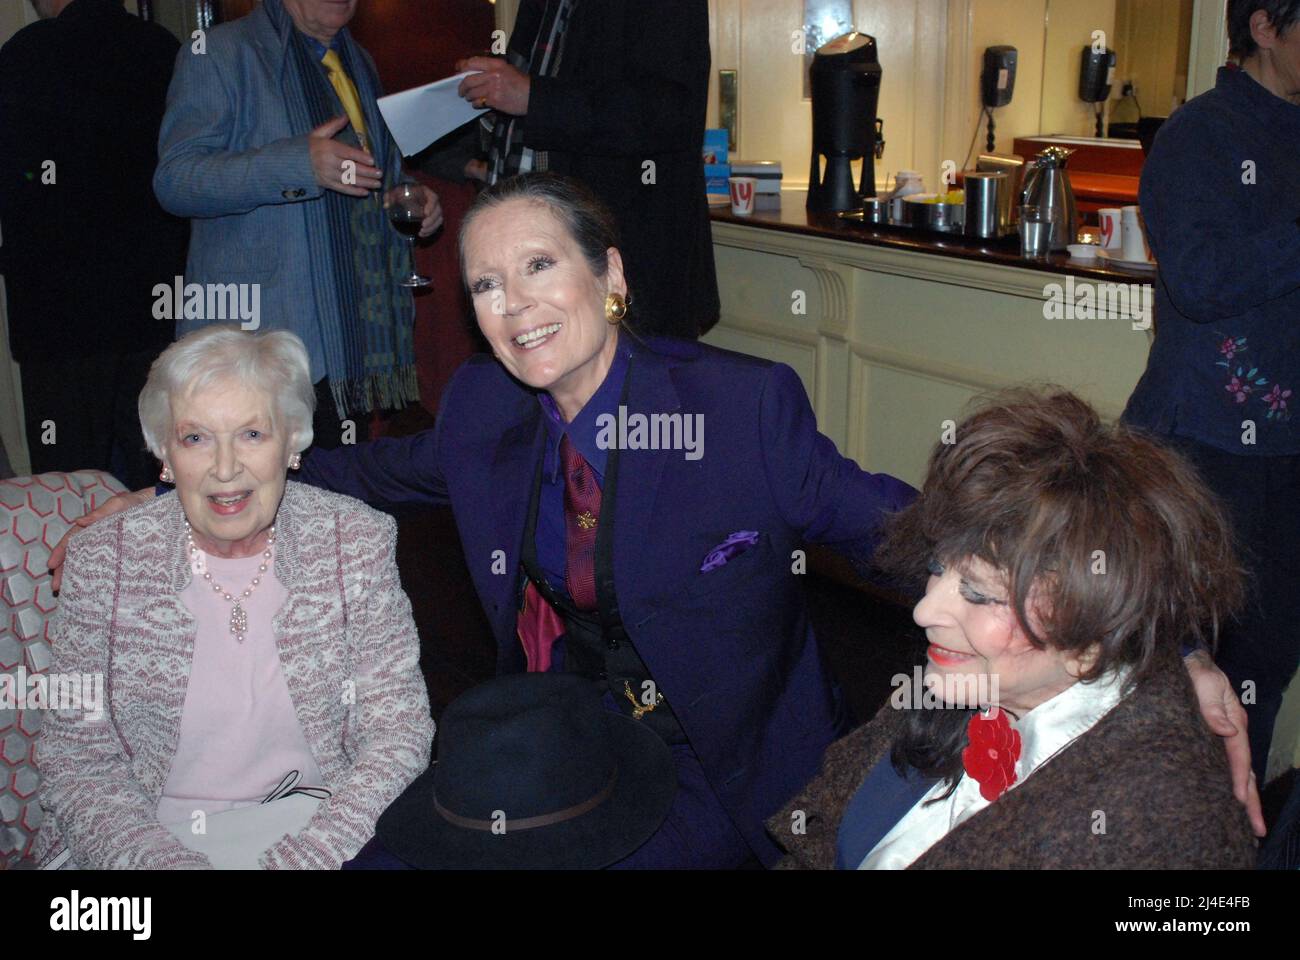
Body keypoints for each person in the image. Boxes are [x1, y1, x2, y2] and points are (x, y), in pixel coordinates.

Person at [55, 173, 1263, 866]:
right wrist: (200, 474)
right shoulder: (484, 408)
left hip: (712, 751)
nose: (514, 305)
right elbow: (379, 473)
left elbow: (906, 527)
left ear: (611, 277)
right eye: (484, 284)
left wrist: (1166, 643)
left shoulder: (739, 410)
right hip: (559, 727)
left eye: (539, 267)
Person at [770, 390, 1258, 869]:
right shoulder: (971, 679)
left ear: (1090, 639)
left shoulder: (1157, 828)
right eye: (939, 568)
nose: (925, 610)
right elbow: (823, 837)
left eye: (980, 594)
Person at [32, 325, 432, 869]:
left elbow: (399, 734)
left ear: (291, 442)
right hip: (138, 841)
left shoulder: (354, 542)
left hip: (320, 831)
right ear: (163, 454)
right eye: (196, 438)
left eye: (251, 434)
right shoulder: (103, 561)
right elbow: (75, 757)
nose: (225, 469)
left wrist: (300, 861)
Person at [1122, 0, 1300, 784]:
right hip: (1205, 447)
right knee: (1183, 677)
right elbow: (1199, 279)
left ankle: (1236, 840)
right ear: (1265, 26)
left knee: (1265, 670)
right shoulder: (1200, 135)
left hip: (1290, 456)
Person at [152, 0, 443, 450]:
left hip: (351, 341)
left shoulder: (357, 61)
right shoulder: (218, 51)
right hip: (256, 349)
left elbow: (371, 170)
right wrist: (296, 165)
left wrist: (409, 199)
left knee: (337, 506)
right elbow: (176, 180)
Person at [432, 0, 719, 340]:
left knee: (627, 389)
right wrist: (492, 94)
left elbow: (672, 111)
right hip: (532, 236)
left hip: (628, 257)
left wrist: (532, 97)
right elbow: (539, 99)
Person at [0, 0, 187, 489]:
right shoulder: (162, 48)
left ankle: (74, 565)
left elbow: (13, 174)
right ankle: (170, 564)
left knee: (66, 483)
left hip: (59, 313)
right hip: (153, 300)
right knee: (159, 470)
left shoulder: (26, 54)